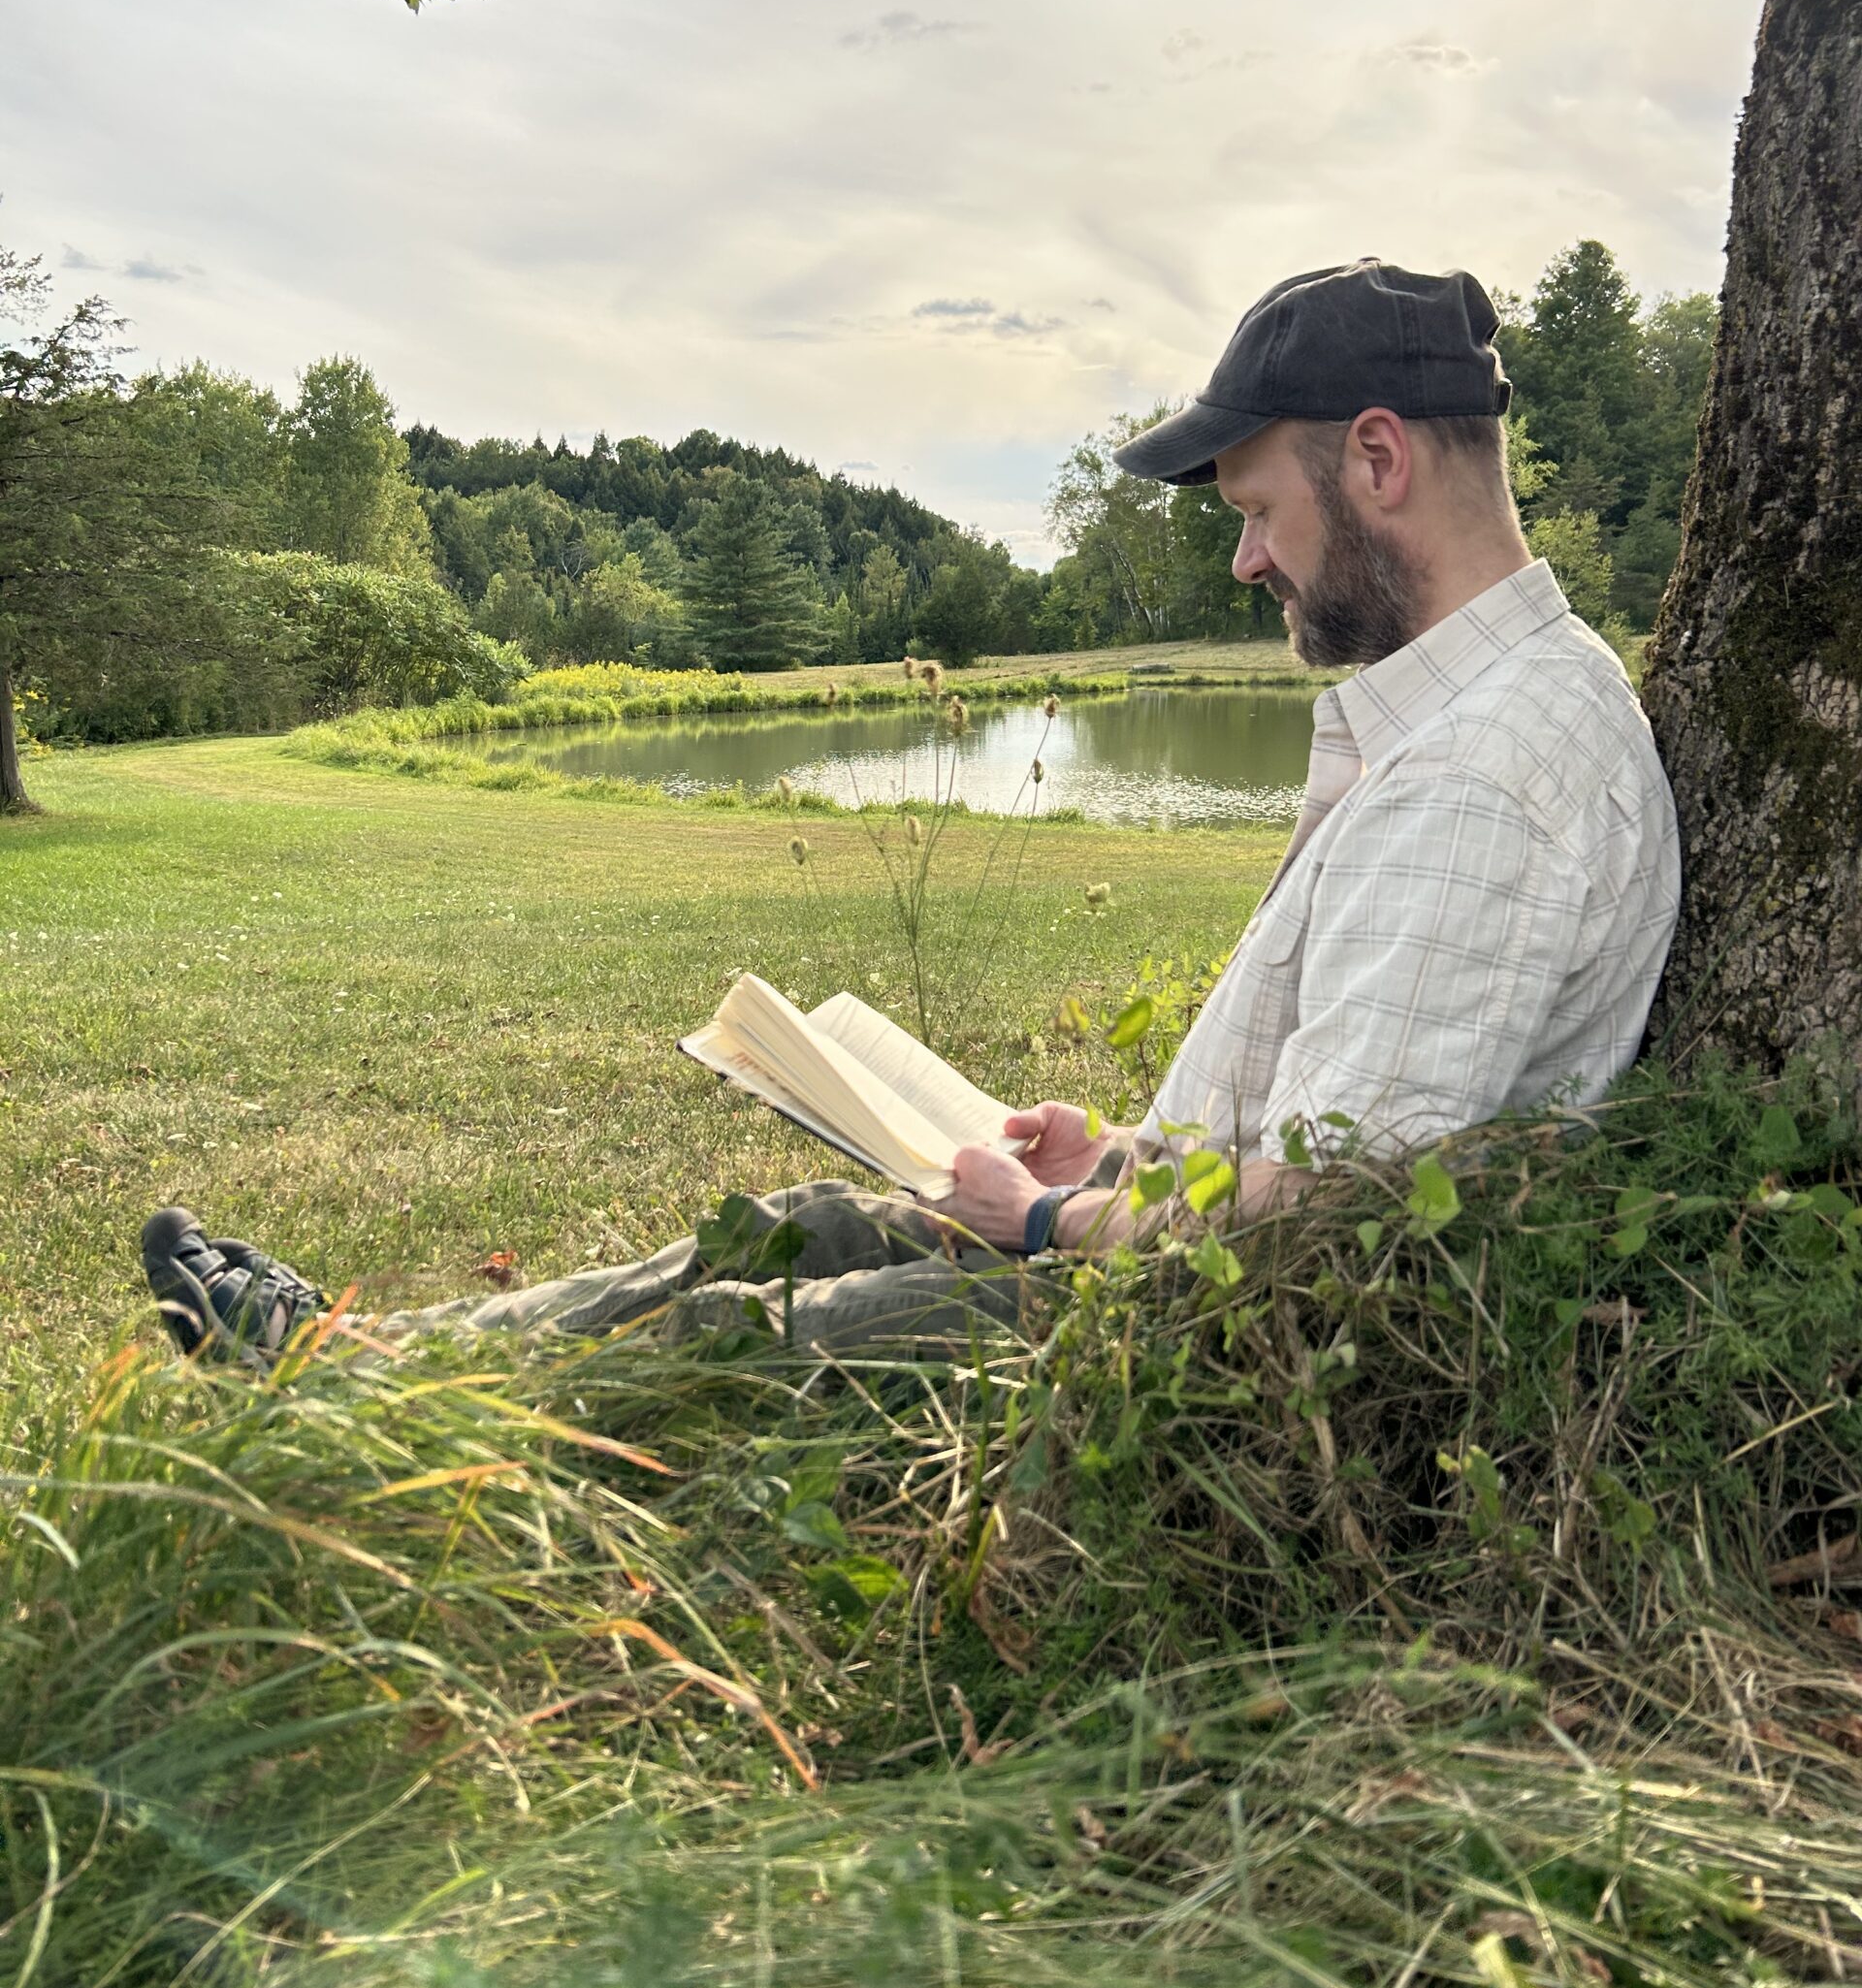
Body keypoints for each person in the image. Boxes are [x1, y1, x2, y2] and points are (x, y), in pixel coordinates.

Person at [143, 258, 1681, 1369]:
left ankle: (355, 1395)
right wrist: (1124, 1158)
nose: (1245, 563)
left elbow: (1322, 1233)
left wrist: (1042, 1230)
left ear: (1378, 459)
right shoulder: (1480, 717)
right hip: (1156, 1264)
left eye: (1255, 512)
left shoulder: (1487, 777)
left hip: (1189, 1352)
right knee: (812, 1218)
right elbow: (1332, 1129)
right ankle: (357, 1346)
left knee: (772, 1335)